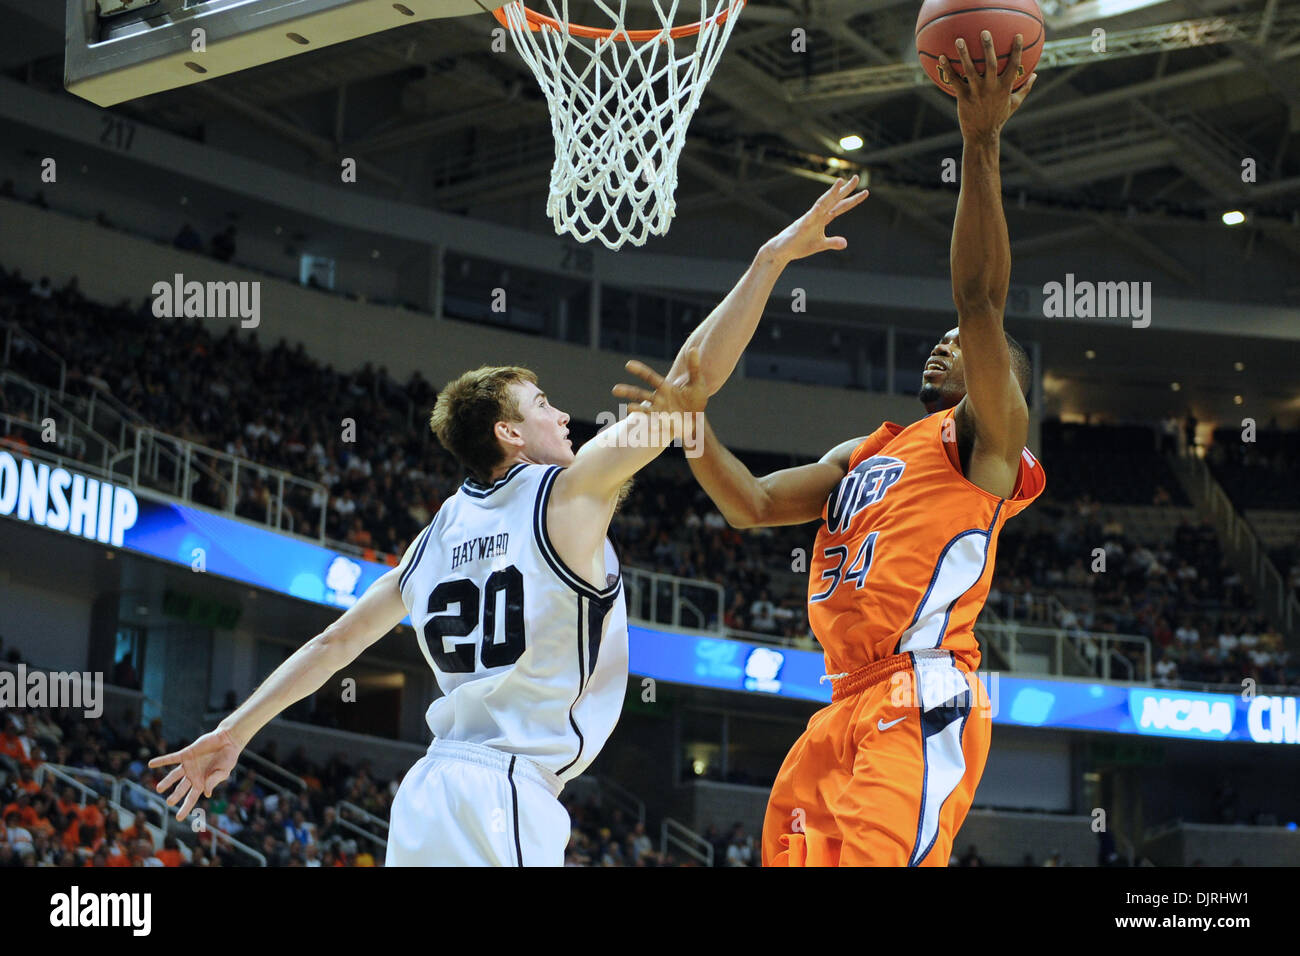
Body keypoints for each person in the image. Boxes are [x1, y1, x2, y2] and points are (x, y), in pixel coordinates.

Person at [149, 179, 870, 866]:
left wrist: (234, 730)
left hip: (429, 792)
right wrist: (769, 258)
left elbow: (337, 640)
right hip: (506, 788)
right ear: (509, 435)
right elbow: (690, 383)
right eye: (544, 405)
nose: (563, 414)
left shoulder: (433, 538)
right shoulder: (568, 494)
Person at [674, 31, 1044, 866]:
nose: (945, 346)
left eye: (965, 347)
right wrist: (690, 425)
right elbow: (752, 505)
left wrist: (979, 141)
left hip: (919, 691)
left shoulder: (982, 446)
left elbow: (981, 298)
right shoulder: (866, 451)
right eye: (940, 340)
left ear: (1001, 381)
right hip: (837, 703)